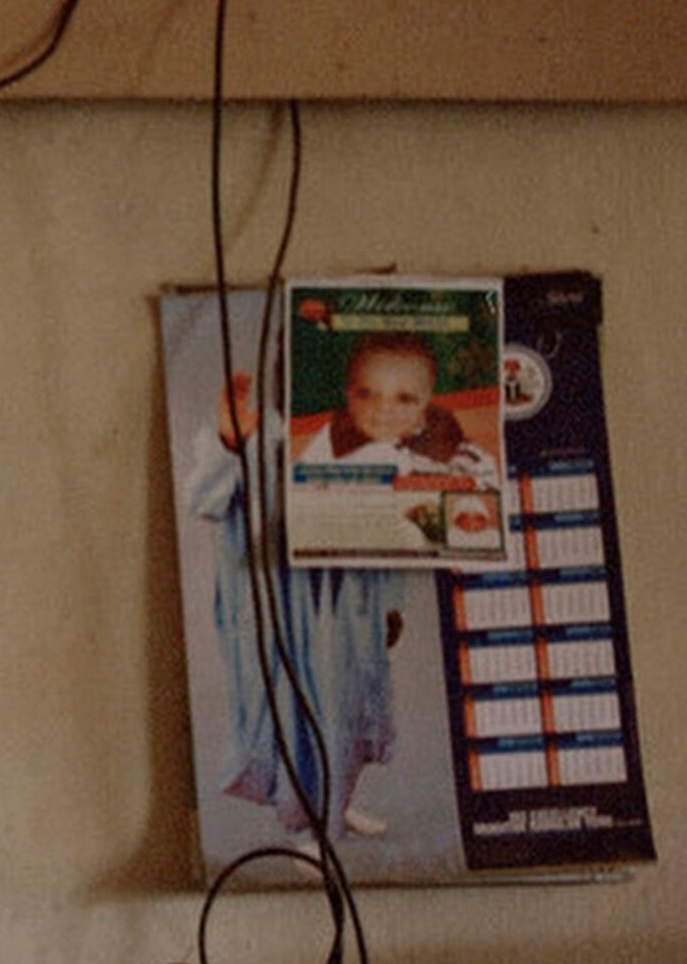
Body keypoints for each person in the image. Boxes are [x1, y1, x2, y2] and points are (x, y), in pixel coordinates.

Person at [186, 368, 409, 841]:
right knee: (296, 712)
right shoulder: (257, 433)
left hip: (347, 602)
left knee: (350, 703)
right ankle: (311, 831)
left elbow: (389, 523)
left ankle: (335, 806)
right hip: (281, 608)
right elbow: (204, 499)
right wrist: (229, 444)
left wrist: (389, 601)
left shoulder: (360, 435)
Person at [294, 332, 493, 479]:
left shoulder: (450, 446)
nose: (383, 408)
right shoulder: (332, 439)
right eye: (367, 395)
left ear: (427, 400)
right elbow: (302, 480)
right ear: (349, 397)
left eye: (404, 398)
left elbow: (484, 485)